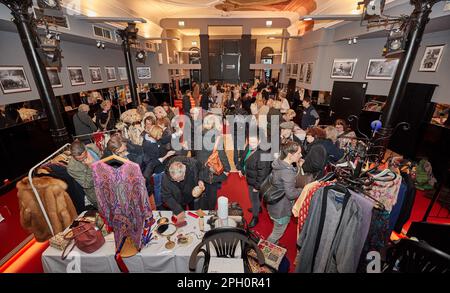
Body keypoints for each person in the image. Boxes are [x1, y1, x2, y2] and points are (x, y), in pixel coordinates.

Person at [267, 141, 303, 244]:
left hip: (274, 204)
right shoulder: (287, 172)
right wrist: (303, 190)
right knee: (277, 233)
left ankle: (274, 244)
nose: (301, 155)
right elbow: (291, 194)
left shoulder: (279, 162)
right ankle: (266, 251)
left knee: (276, 229)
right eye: (298, 153)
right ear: (290, 155)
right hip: (281, 209)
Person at [195, 115, 231, 210]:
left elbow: (195, 152)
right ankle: (210, 211)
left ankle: (203, 210)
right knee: (212, 193)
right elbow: (222, 154)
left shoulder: (198, 134)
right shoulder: (216, 137)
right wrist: (227, 169)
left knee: (203, 191)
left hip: (200, 167)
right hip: (211, 170)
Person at [237, 131, 271, 228]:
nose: (251, 144)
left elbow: (263, 172)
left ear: (259, 141)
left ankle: (255, 217)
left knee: (254, 199)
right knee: (255, 199)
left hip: (256, 181)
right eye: (250, 141)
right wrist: (242, 170)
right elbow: (244, 159)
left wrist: (257, 186)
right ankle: (258, 208)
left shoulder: (263, 153)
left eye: (254, 142)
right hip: (250, 177)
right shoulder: (249, 147)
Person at [161, 156, 204, 221]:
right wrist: (178, 210)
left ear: (185, 170)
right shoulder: (166, 178)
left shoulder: (193, 164)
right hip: (178, 199)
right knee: (181, 215)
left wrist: (200, 179)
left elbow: (202, 170)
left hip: (191, 193)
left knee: (195, 212)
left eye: (180, 178)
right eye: (174, 180)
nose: (178, 181)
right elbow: (166, 196)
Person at [67, 140, 101, 209]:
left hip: (109, 186)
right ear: (73, 156)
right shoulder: (72, 167)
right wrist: (90, 168)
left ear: (85, 149)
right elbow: (86, 185)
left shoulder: (92, 147)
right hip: (98, 195)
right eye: (79, 159)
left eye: (84, 157)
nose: (82, 160)